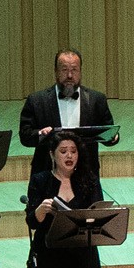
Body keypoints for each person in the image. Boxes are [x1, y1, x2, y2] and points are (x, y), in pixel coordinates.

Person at [24, 129, 107, 268]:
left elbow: (99, 214)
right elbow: (32, 221)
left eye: (73, 151)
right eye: (63, 151)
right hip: (50, 255)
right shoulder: (40, 180)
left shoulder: (89, 180)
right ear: (52, 155)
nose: (69, 156)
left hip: (82, 254)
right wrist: (40, 211)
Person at [19, 47, 119, 177]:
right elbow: (25, 136)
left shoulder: (96, 99)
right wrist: (40, 134)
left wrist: (113, 137)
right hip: (47, 174)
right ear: (56, 71)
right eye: (64, 70)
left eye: (74, 70)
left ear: (80, 71)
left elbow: (107, 131)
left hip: (86, 175)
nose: (70, 76)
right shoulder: (37, 100)